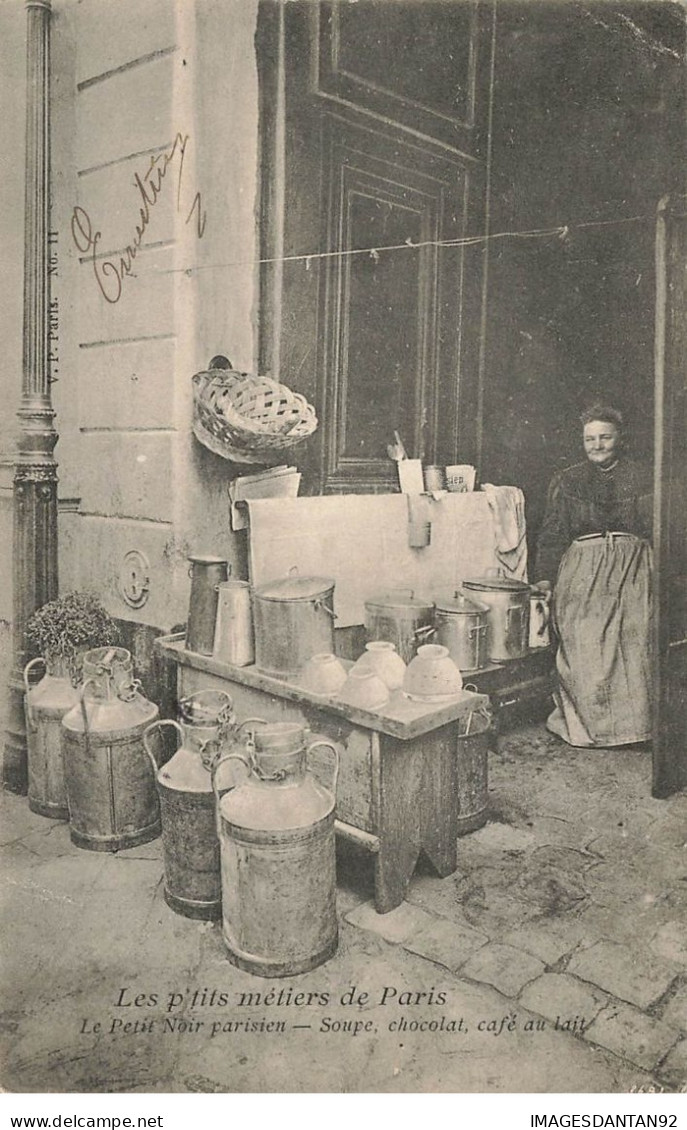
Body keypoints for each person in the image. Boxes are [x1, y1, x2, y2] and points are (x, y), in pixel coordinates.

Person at [534, 404, 654, 747]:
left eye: (605, 437)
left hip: (632, 569)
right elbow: (553, 532)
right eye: (590, 439)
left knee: (635, 637)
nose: (597, 445)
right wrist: (545, 578)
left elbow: (659, 528)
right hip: (583, 570)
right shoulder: (568, 480)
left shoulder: (644, 476)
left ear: (620, 438)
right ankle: (591, 728)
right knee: (581, 638)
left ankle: (633, 730)